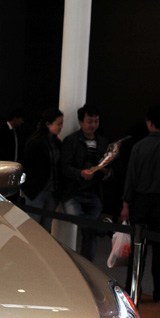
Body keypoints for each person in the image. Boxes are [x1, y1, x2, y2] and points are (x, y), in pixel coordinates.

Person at [121, 104, 160, 301]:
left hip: (140, 201)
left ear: (150, 123)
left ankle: (132, 290)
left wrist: (126, 203)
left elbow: (131, 178)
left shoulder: (139, 147)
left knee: (138, 248)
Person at [60, 104, 111, 261]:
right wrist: (80, 174)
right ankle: (102, 228)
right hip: (74, 192)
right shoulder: (71, 141)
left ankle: (87, 264)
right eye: (89, 121)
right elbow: (64, 167)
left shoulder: (103, 142)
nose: (93, 125)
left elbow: (110, 167)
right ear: (81, 122)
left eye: (96, 121)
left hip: (94, 193)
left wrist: (106, 172)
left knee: (89, 234)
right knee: (83, 223)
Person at [21, 107, 63, 231]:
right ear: (48, 124)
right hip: (36, 190)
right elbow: (27, 165)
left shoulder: (57, 142)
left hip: (52, 191)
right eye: (58, 124)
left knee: (47, 226)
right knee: (33, 227)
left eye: (61, 123)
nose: (61, 127)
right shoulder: (35, 142)